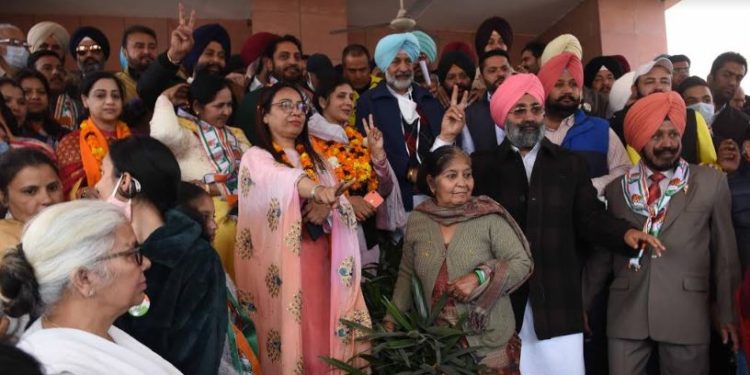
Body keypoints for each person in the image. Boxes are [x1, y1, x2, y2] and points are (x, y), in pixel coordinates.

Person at [472, 73, 663, 374]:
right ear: (502, 116)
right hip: (501, 299)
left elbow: (589, 217)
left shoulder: (568, 164)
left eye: (535, 109)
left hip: (558, 295)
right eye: (518, 110)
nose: (529, 118)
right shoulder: (481, 166)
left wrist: (624, 233)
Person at [585, 91, 740, 375]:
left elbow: (725, 254)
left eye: (673, 134)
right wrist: (583, 302)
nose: (667, 143)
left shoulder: (710, 181)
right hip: (626, 311)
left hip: (687, 311)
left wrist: (728, 312)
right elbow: (604, 253)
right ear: (640, 140)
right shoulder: (617, 189)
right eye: (656, 136)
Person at [234, 82, 371, 373]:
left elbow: (341, 202)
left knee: (324, 330)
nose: (295, 112)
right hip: (286, 266)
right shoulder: (256, 158)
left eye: (300, 106)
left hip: (323, 262)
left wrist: (330, 205)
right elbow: (278, 179)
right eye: (284, 105)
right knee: (298, 335)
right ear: (265, 115)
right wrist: (317, 192)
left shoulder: (319, 161)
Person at [388, 145, 532, 372]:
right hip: (438, 346)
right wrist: (390, 322)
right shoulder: (419, 219)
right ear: (433, 183)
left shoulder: (487, 216)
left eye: (467, 174)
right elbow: (407, 275)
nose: (463, 183)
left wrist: (480, 276)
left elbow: (522, 263)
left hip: (489, 344)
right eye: (451, 176)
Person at [92, 136, 226, 374]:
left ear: (125, 183)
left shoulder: (197, 259)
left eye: (103, 173)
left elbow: (200, 357)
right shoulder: (103, 253)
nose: (97, 186)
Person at [0, 200, 181, 374]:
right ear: (84, 278)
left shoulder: (95, 331)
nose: (146, 263)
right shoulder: (57, 367)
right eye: (131, 254)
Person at [150, 72, 250, 279]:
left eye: (229, 105)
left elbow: (254, 171)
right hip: (204, 212)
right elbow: (163, 136)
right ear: (197, 107)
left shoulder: (236, 134)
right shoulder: (185, 132)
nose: (226, 111)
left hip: (245, 207)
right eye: (218, 106)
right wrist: (164, 98)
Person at [309, 74, 405, 266]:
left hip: (366, 236)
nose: (348, 103)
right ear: (322, 101)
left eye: (351, 98)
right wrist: (346, 203)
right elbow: (307, 196)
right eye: (341, 96)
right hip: (330, 240)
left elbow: (384, 189)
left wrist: (367, 204)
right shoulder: (308, 144)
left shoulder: (358, 139)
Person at [174, 181, 263, 374]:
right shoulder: (184, 270)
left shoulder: (210, 259)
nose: (214, 225)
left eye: (213, 217)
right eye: (204, 217)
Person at [355, 32, 450, 211]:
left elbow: (443, 141)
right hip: (392, 198)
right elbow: (366, 151)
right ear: (384, 66)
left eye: (408, 61)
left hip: (435, 195)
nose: (404, 68)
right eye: (395, 61)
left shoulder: (427, 98)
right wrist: (410, 172)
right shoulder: (368, 101)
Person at [537, 52, 630, 195]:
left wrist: (591, 186)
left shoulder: (601, 130)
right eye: (559, 84)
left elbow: (624, 170)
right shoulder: (530, 130)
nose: (568, 90)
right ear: (545, 88)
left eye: (574, 84)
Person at [610, 57, 717, 165]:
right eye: (650, 82)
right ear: (634, 89)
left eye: (664, 81)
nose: (658, 87)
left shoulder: (693, 117)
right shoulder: (620, 122)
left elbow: (710, 164)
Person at [56, 71, 131, 199]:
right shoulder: (71, 142)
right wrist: (83, 193)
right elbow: (64, 187)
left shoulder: (134, 138)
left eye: (116, 96)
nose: (110, 101)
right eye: (100, 96)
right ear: (85, 100)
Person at [235, 34, 309, 143]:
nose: (293, 62)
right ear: (269, 64)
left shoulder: (305, 96)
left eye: (297, 57)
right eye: (284, 56)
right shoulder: (253, 98)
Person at [463, 49, 512, 154]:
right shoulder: (470, 114)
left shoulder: (526, 106)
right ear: (481, 78)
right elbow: (469, 155)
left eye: (504, 69)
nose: (500, 74)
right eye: (492, 70)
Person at [27, 50, 83, 130]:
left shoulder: (79, 107)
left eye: (60, 69)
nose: (56, 72)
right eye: (47, 68)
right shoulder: (24, 105)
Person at [708, 52, 750, 152]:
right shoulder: (686, 111)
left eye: (738, 78)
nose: (733, 83)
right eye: (727, 75)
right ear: (710, 77)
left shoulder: (743, 124)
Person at [16, 69, 68, 147]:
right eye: (27, 92)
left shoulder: (62, 134)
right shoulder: (12, 134)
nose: (35, 97)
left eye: (41, 92)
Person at [116, 25, 158, 103]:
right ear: (125, 52)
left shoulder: (169, 79)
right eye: (139, 46)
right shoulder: (117, 83)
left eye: (152, 47)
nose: (147, 51)